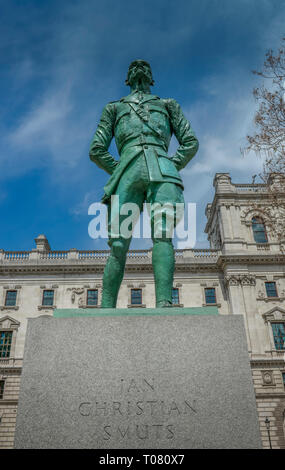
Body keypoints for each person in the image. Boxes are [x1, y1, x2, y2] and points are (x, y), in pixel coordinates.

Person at [89, 60, 199, 307]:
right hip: (127, 171)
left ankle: (164, 302)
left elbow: (190, 141)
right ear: (127, 78)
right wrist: (120, 169)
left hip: (163, 170)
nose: (139, 68)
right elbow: (96, 149)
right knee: (118, 243)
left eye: (146, 68)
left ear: (152, 78)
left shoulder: (168, 106)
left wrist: (170, 163)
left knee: (163, 235)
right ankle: (106, 307)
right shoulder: (114, 108)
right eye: (133, 67)